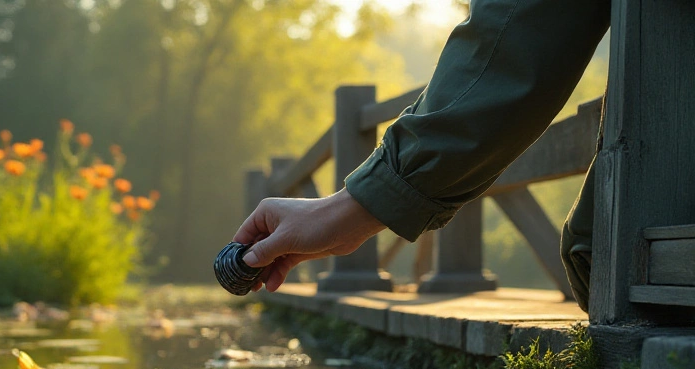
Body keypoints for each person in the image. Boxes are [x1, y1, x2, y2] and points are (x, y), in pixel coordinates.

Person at [232, 0, 610, 310]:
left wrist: (349, 210)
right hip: (646, 251)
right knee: (593, 249)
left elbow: (511, 37)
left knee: (593, 254)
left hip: (627, 264)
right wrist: (352, 214)